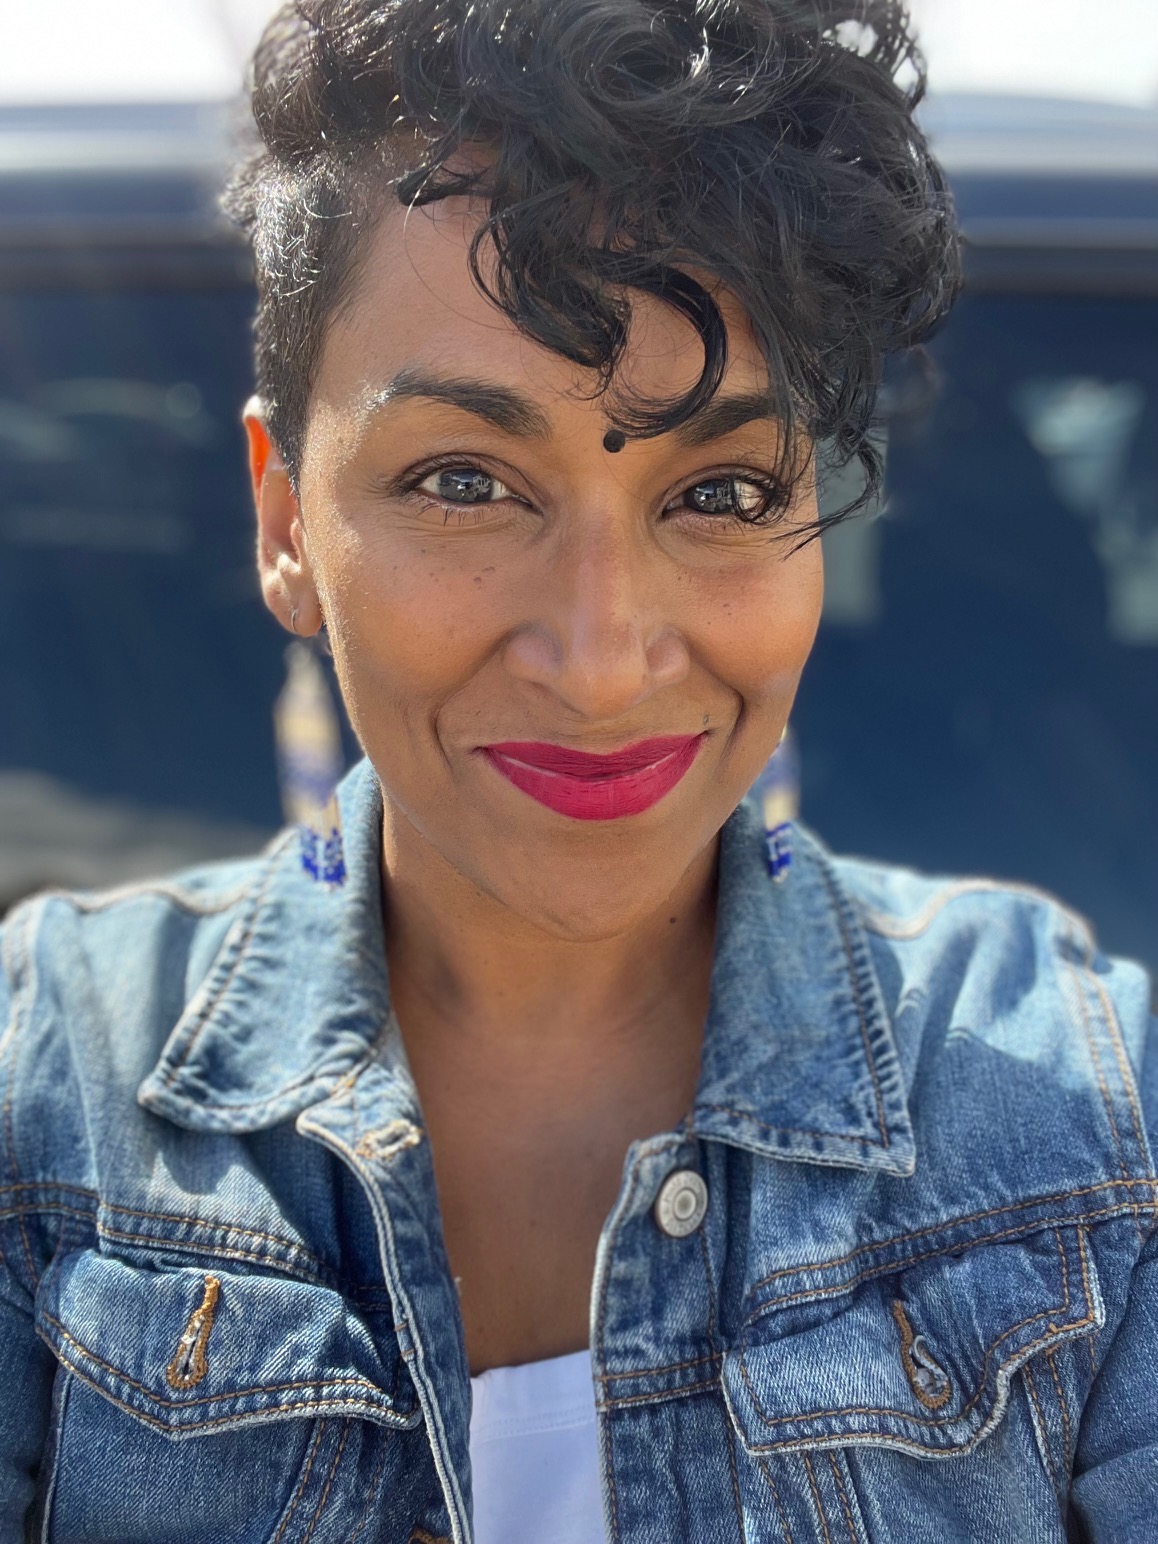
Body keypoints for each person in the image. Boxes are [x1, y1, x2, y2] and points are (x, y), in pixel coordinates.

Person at [1, 1, 1154, 1540]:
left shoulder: (1090, 1126)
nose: (603, 660)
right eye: (463, 481)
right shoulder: (43, 1105)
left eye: (723, 489)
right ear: (285, 522)